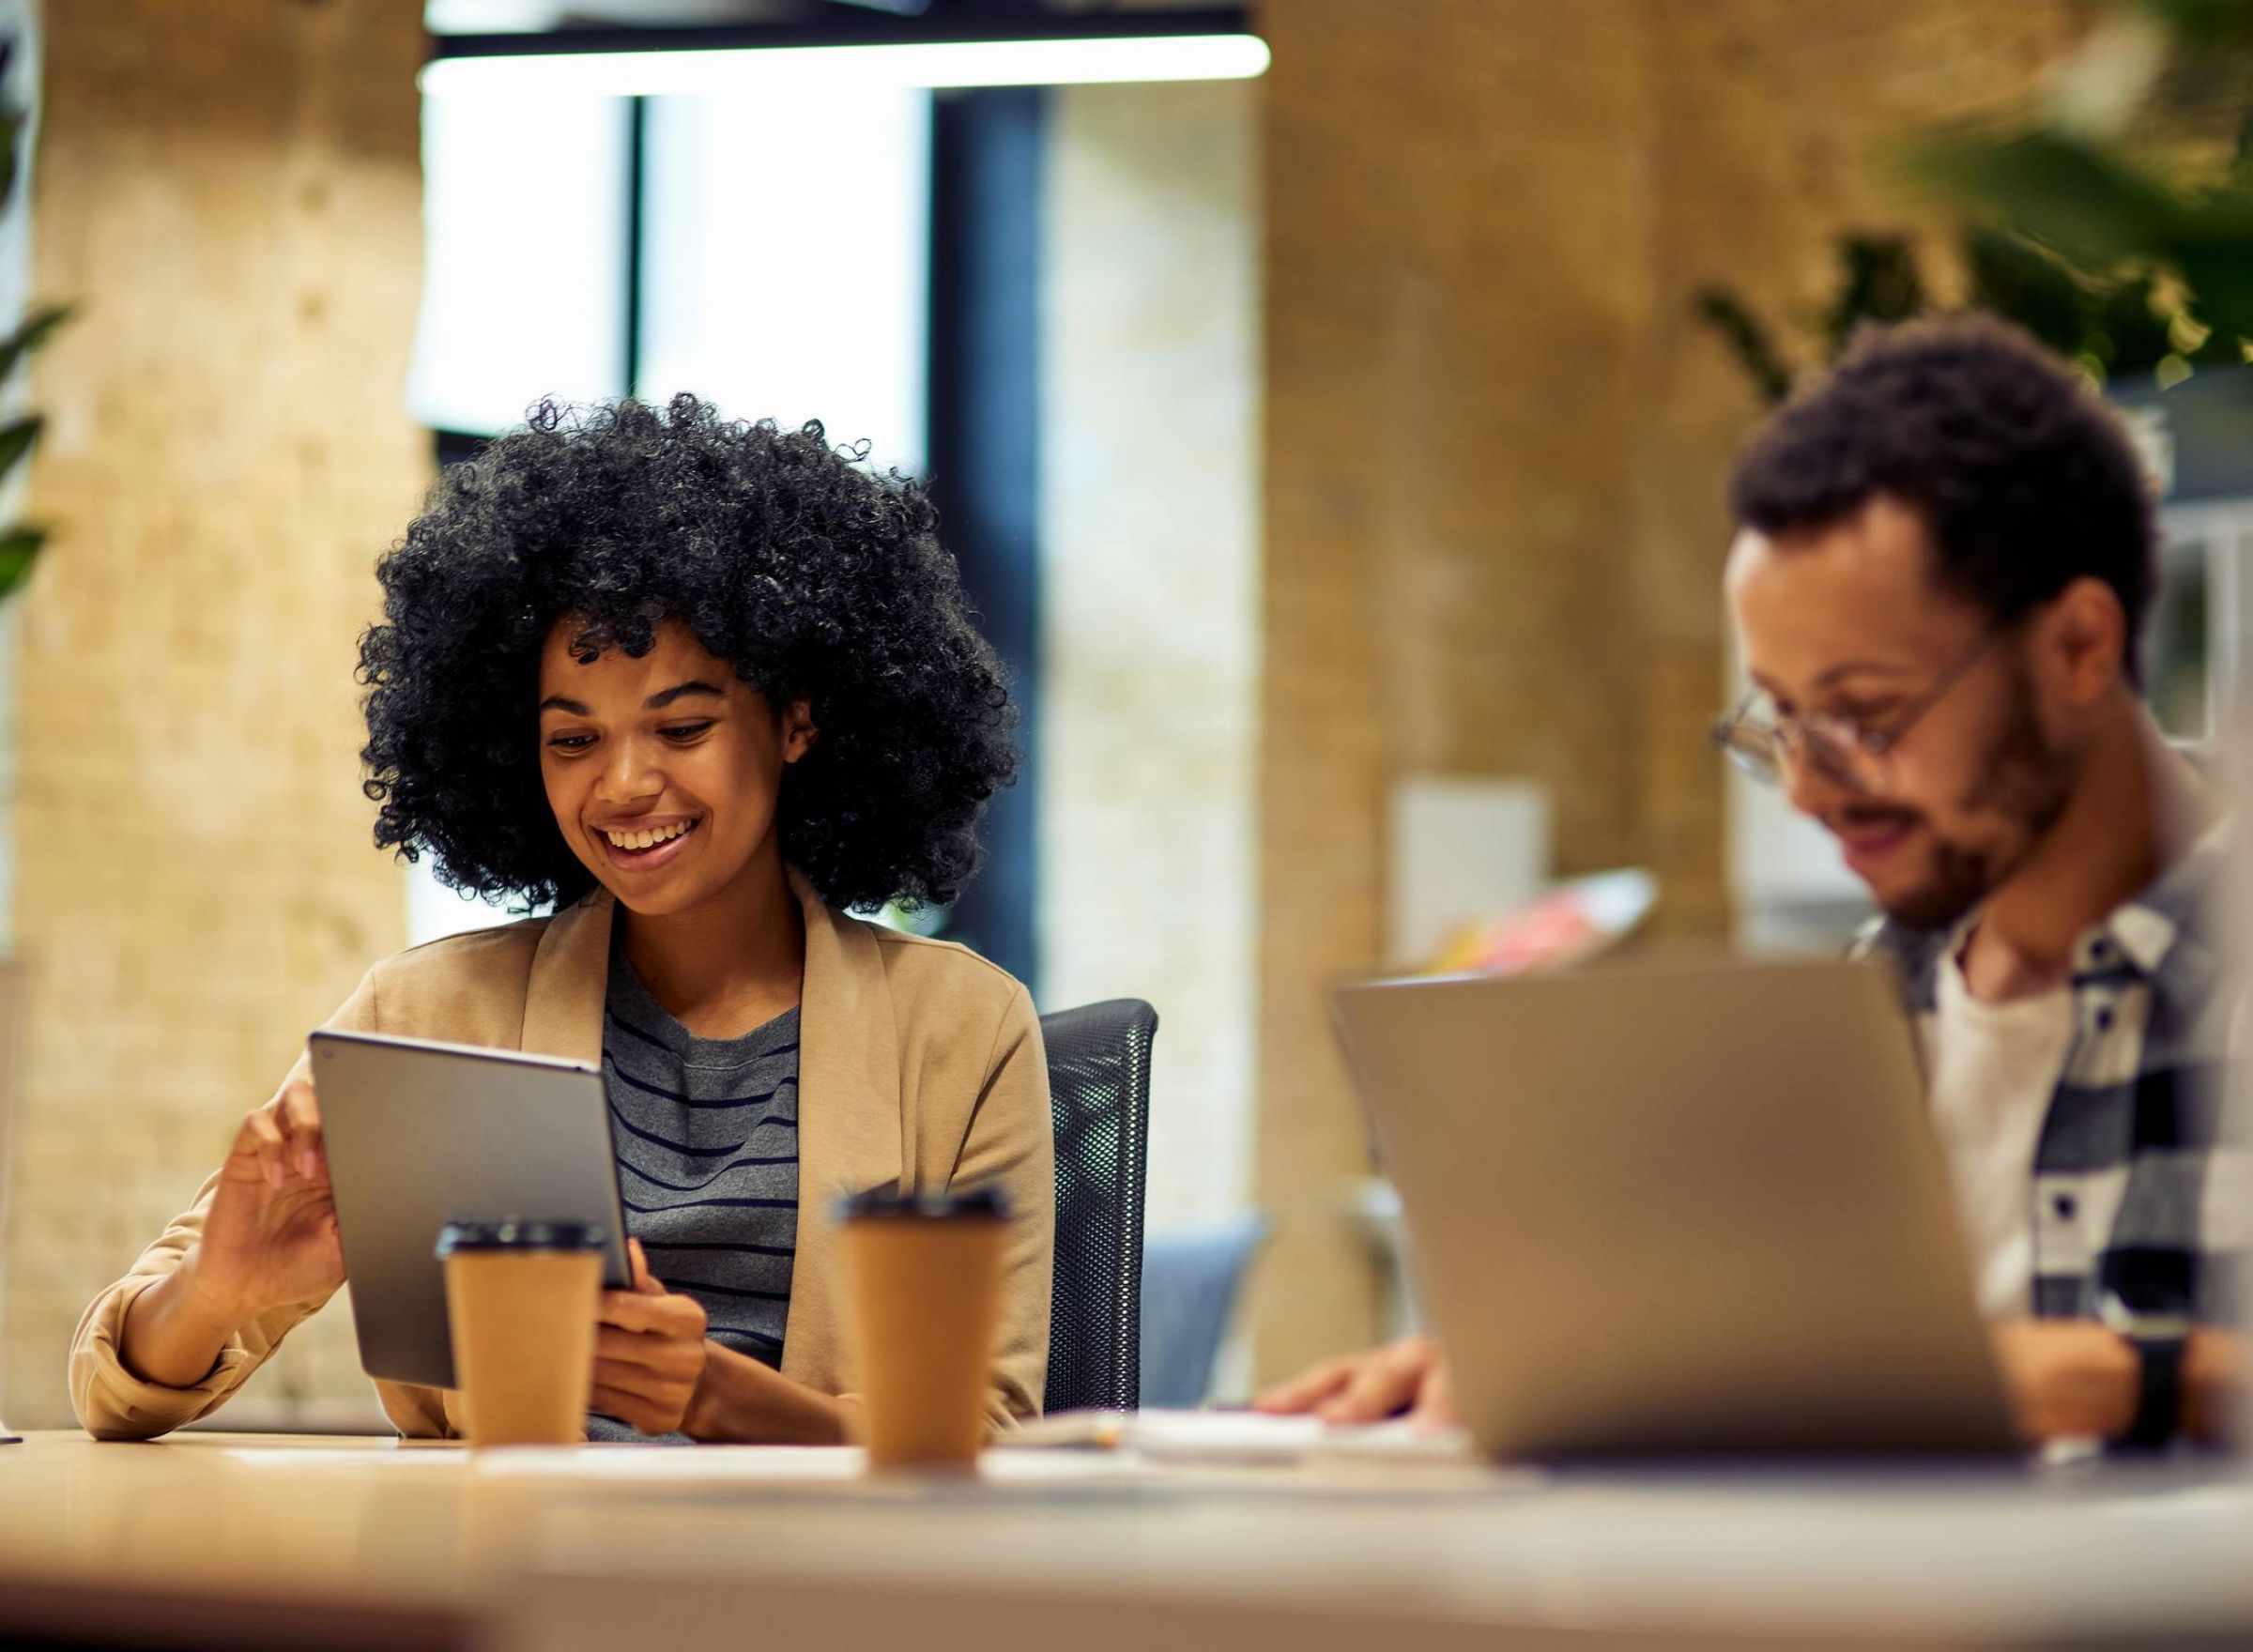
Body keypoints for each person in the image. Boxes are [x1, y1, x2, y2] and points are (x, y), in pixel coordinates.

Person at [1259, 315, 2244, 1447]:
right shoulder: (1867, 1009)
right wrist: (1576, 1366)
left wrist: (2117, 1378)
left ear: (2076, 645)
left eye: (1867, 715)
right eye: (1780, 720)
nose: (1809, 792)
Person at [70, 396, 1053, 1444]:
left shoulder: (961, 1028)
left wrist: (711, 1392)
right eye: (573, 741)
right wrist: (219, 1293)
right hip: (497, 1566)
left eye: (681, 725)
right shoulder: (426, 1010)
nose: (625, 783)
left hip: (808, 1590)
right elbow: (116, 1389)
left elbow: (981, 1432)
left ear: (797, 718)